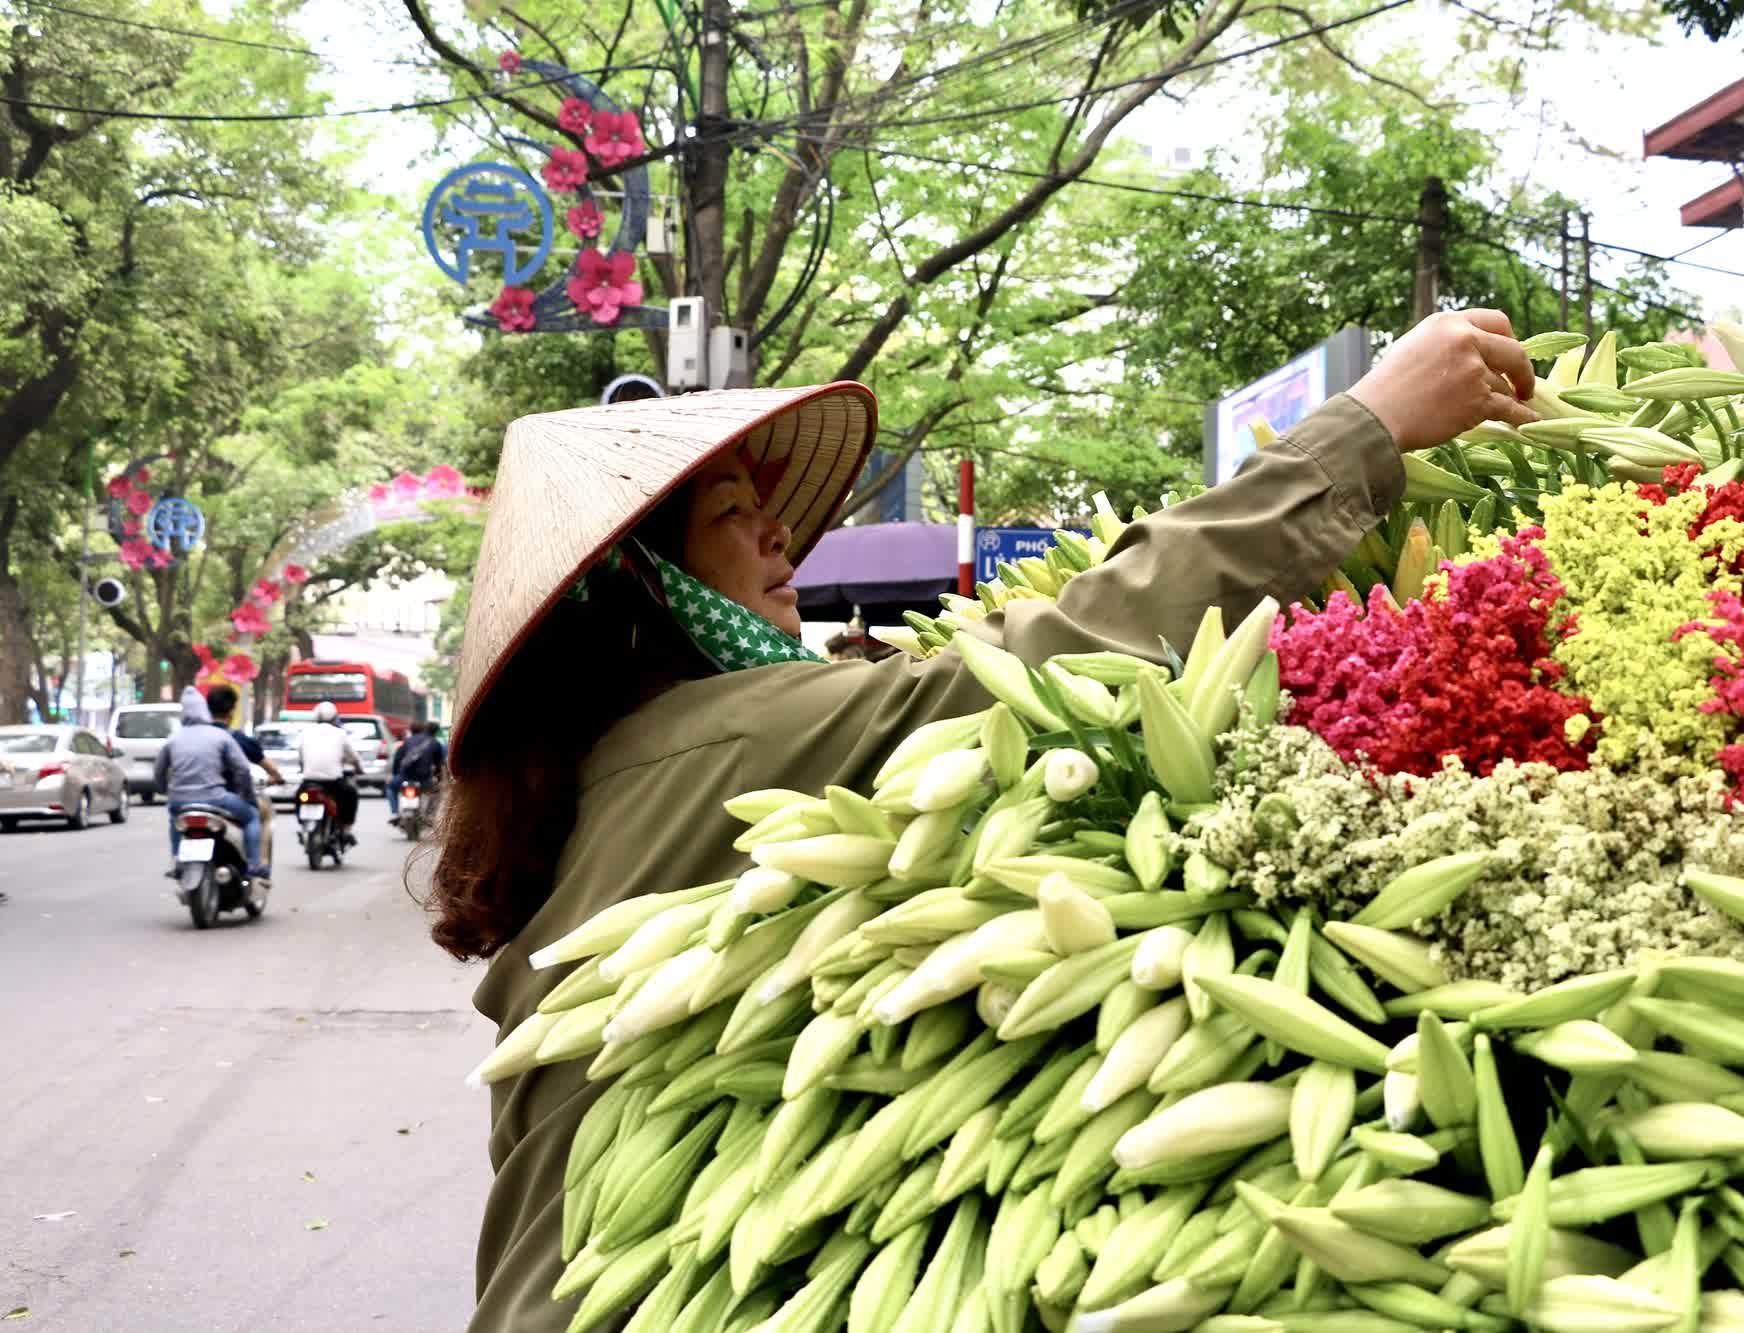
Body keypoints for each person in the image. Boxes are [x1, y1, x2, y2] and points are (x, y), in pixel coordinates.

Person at [425, 311, 1537, 1332]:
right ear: (640, 585)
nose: (778, 541)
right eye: (730, 515)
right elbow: (1066, 648)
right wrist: (1366, 425)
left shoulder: (614, 759)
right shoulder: (727, 739)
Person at [156, 686, 267, 880]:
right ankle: (255, 864)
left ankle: (176, 859)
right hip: (215, 799)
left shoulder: (173, 739)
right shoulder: (221, 736)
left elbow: (158, 771)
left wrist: (167, 792)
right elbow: (242, 769)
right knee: (252, 817)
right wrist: (247, 796)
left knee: (175, 820)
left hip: (180, 801)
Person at [205, 684, 281, 875]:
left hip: (193, 798)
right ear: (231, 711)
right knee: (255, 814)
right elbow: (253, 769)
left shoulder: (197, 736)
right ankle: (255, 865)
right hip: (226, 798)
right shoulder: (235, 739)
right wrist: (276, 777)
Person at [296, 701, 362, 845]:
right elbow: (353, 756)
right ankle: (346, 829)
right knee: (350, 794)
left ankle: (303, 824)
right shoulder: (340, 733)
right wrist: (358, 767)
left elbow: (300, 757)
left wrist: (303, 767)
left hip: (309, 781)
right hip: (333, 782)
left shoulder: (305, 733)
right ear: (334, 717)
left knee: (298, 797)